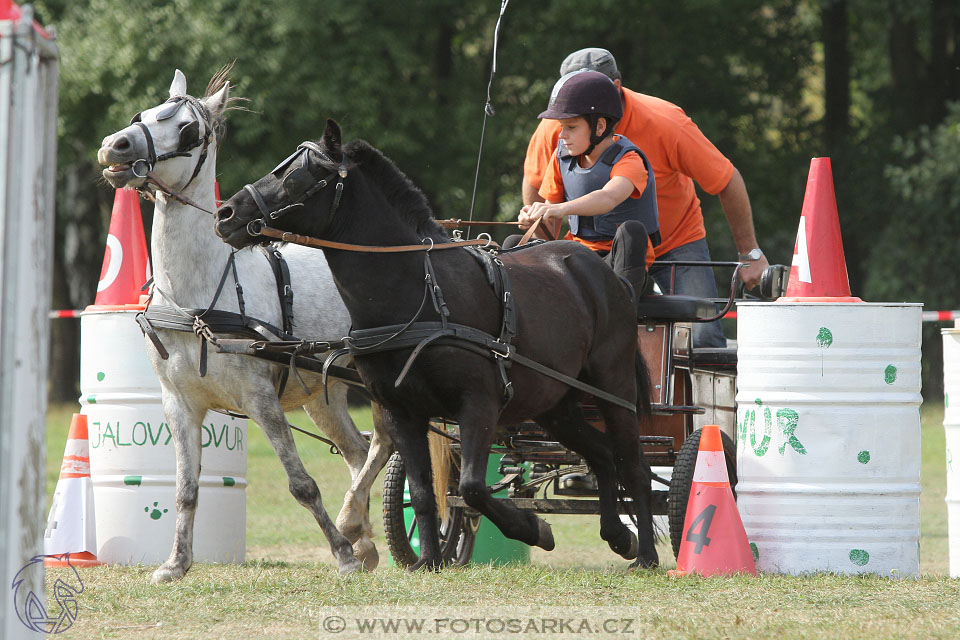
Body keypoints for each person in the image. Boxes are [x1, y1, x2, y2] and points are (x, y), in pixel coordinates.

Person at [523, 48, 769, 348]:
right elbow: (537, 185)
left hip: (673, 243)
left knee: (703, 337)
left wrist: (749, 255)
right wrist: (543, 239)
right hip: (596, 249)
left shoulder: (664, 123)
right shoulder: (560, 127)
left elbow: (727, 180)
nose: (565, 125)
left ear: (612, 91)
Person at [510, 70, 657, 303]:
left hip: (617, 264)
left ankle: (620, 306)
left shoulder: (630, 160)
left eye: (571, 127)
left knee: (632, 233)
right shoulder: (561, 159)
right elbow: (549, 232)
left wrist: (559, 209)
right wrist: (534, 220)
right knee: (513, 246)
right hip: (576, 258)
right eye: (561, 127)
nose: (563, 135)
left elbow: (608, 198)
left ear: (599, 127)